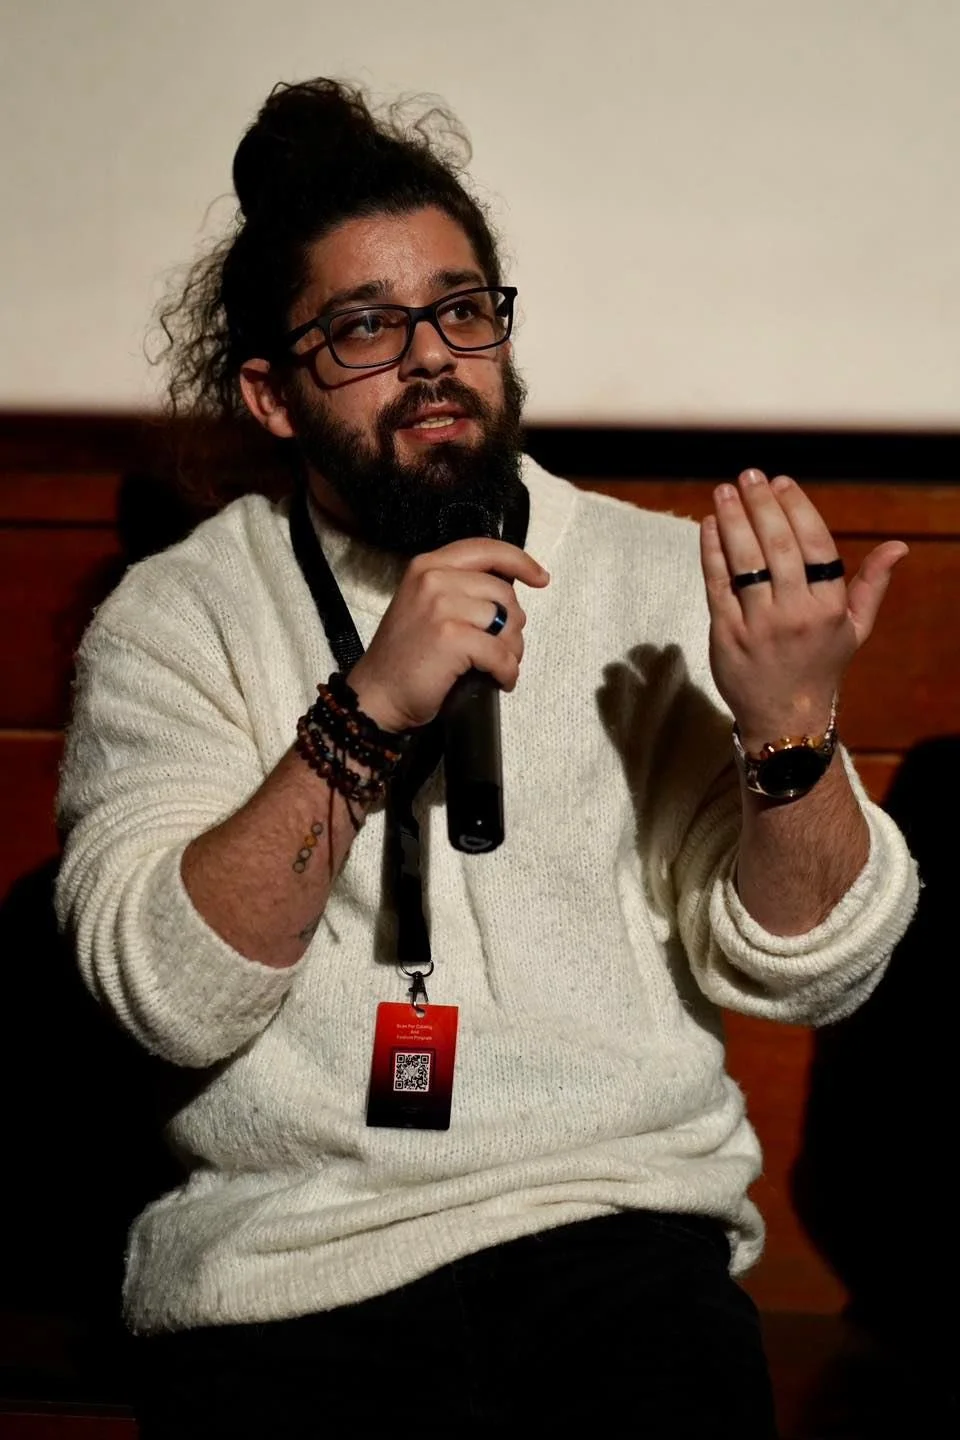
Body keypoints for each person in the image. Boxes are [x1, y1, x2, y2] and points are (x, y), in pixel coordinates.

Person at [54, 78, 918, 1438]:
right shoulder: (178, 619)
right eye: (364, 329)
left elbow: (811, 966)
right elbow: (165, 994)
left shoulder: (649, 577)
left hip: (618, 1240)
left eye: (462, 310)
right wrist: (367, 711)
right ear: (272, 396)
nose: (432, 358)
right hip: (287, 1268)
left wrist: (788, 728)